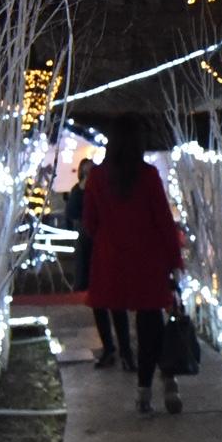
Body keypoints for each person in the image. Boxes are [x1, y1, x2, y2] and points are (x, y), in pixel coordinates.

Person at [79, 119, 187, 415]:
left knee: (118, 313)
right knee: (150, 322)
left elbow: (89, 223)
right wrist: (174, 261)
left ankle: (129, 363)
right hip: (147, 260)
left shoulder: (98, 178)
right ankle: (146, 389)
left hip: (112, 260)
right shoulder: (149, 175)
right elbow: (163, 222)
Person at [63, 157, 120, 368]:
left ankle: (121, 349)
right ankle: (110, 347)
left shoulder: (106, 189)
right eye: (86, 172)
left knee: (113, 300)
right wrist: (81, 189)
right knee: (98, 301)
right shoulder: (79, 191)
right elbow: (72, 213)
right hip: (89, 248)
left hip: (105, 246)